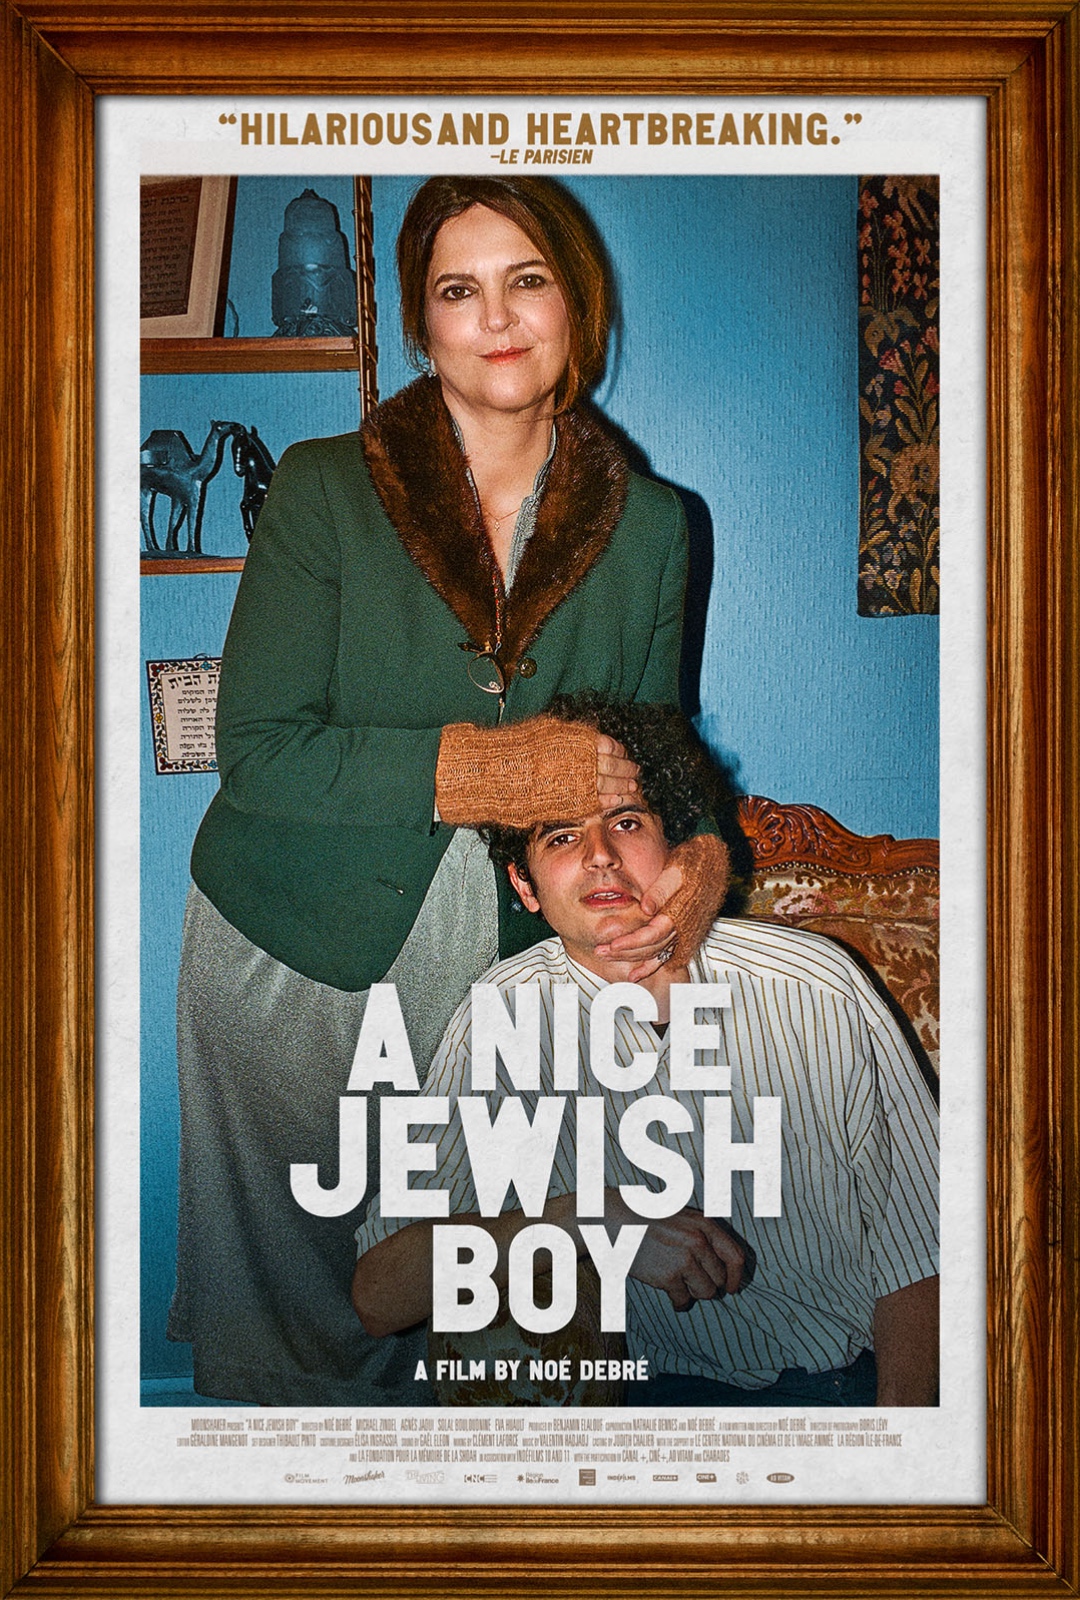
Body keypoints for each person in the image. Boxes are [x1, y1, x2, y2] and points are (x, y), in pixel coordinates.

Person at [168, 177, 728, 1406]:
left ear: (577, 306)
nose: (498, 317)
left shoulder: (655, 527)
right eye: (458, 289)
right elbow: (255, 748)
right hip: (289, 940)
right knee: (294, 1333)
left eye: (528, 280)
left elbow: (651, 761)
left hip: (506, 960)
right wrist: (492, 767)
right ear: (422, 326)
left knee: (486, 1292)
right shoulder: (322, 486)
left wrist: (696, 863)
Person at [352, 696, 940, 1408]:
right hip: (651, 1408)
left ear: (676, 849)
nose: (600, 854)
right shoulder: (500, 1018)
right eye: (561, 836)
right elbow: (380, 1295)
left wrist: (895, 1452)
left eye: (627, 823)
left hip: (848, 1390)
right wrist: (590, 1218)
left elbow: (926, 1255)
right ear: (524, 886)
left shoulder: (819, 986)